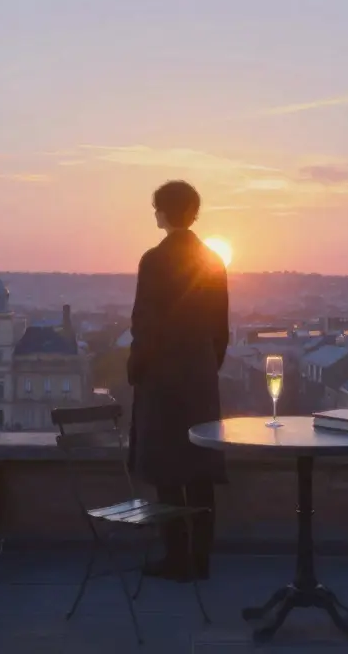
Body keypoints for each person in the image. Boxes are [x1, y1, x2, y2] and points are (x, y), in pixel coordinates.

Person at [127, 180, 229, 583]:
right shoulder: (213, 260)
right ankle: (201, 559)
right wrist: (207, 366)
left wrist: (138, 368)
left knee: (168, 473)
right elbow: (221, 329)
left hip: (163, 377)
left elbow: (145, 324)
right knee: (201, 474)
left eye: (156, 208)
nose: (154, 214)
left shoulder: (154, 260)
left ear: (166, 212)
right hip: (200, 376)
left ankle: (176, 558)